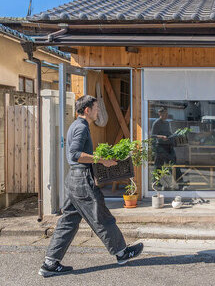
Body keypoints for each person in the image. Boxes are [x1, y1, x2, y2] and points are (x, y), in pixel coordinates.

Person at [39, 95, 143, 277]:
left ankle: (50, 263)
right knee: (101, 216)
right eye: (96, 109)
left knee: (68, 222)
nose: (98, 112)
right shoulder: (81, 127)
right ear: (87, 110)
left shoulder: (76, 126)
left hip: (74, 179)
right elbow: (75, 154)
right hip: (81, 180)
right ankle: (122, 252)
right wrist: (103, 160)